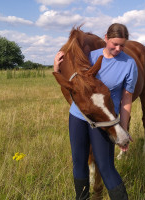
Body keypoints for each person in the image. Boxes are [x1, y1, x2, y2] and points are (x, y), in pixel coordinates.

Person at [54, 23, 138, 200]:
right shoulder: (89, 57)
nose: (118, 48)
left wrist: (122, 128)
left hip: (104, 120)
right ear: (106, 38)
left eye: (122, 45)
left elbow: (127, 98)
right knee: (79, 163)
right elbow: (72, 85)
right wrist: (56, 69)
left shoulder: (129, 64)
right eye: (114, 43)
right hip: (78, 116)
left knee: (106, 166)